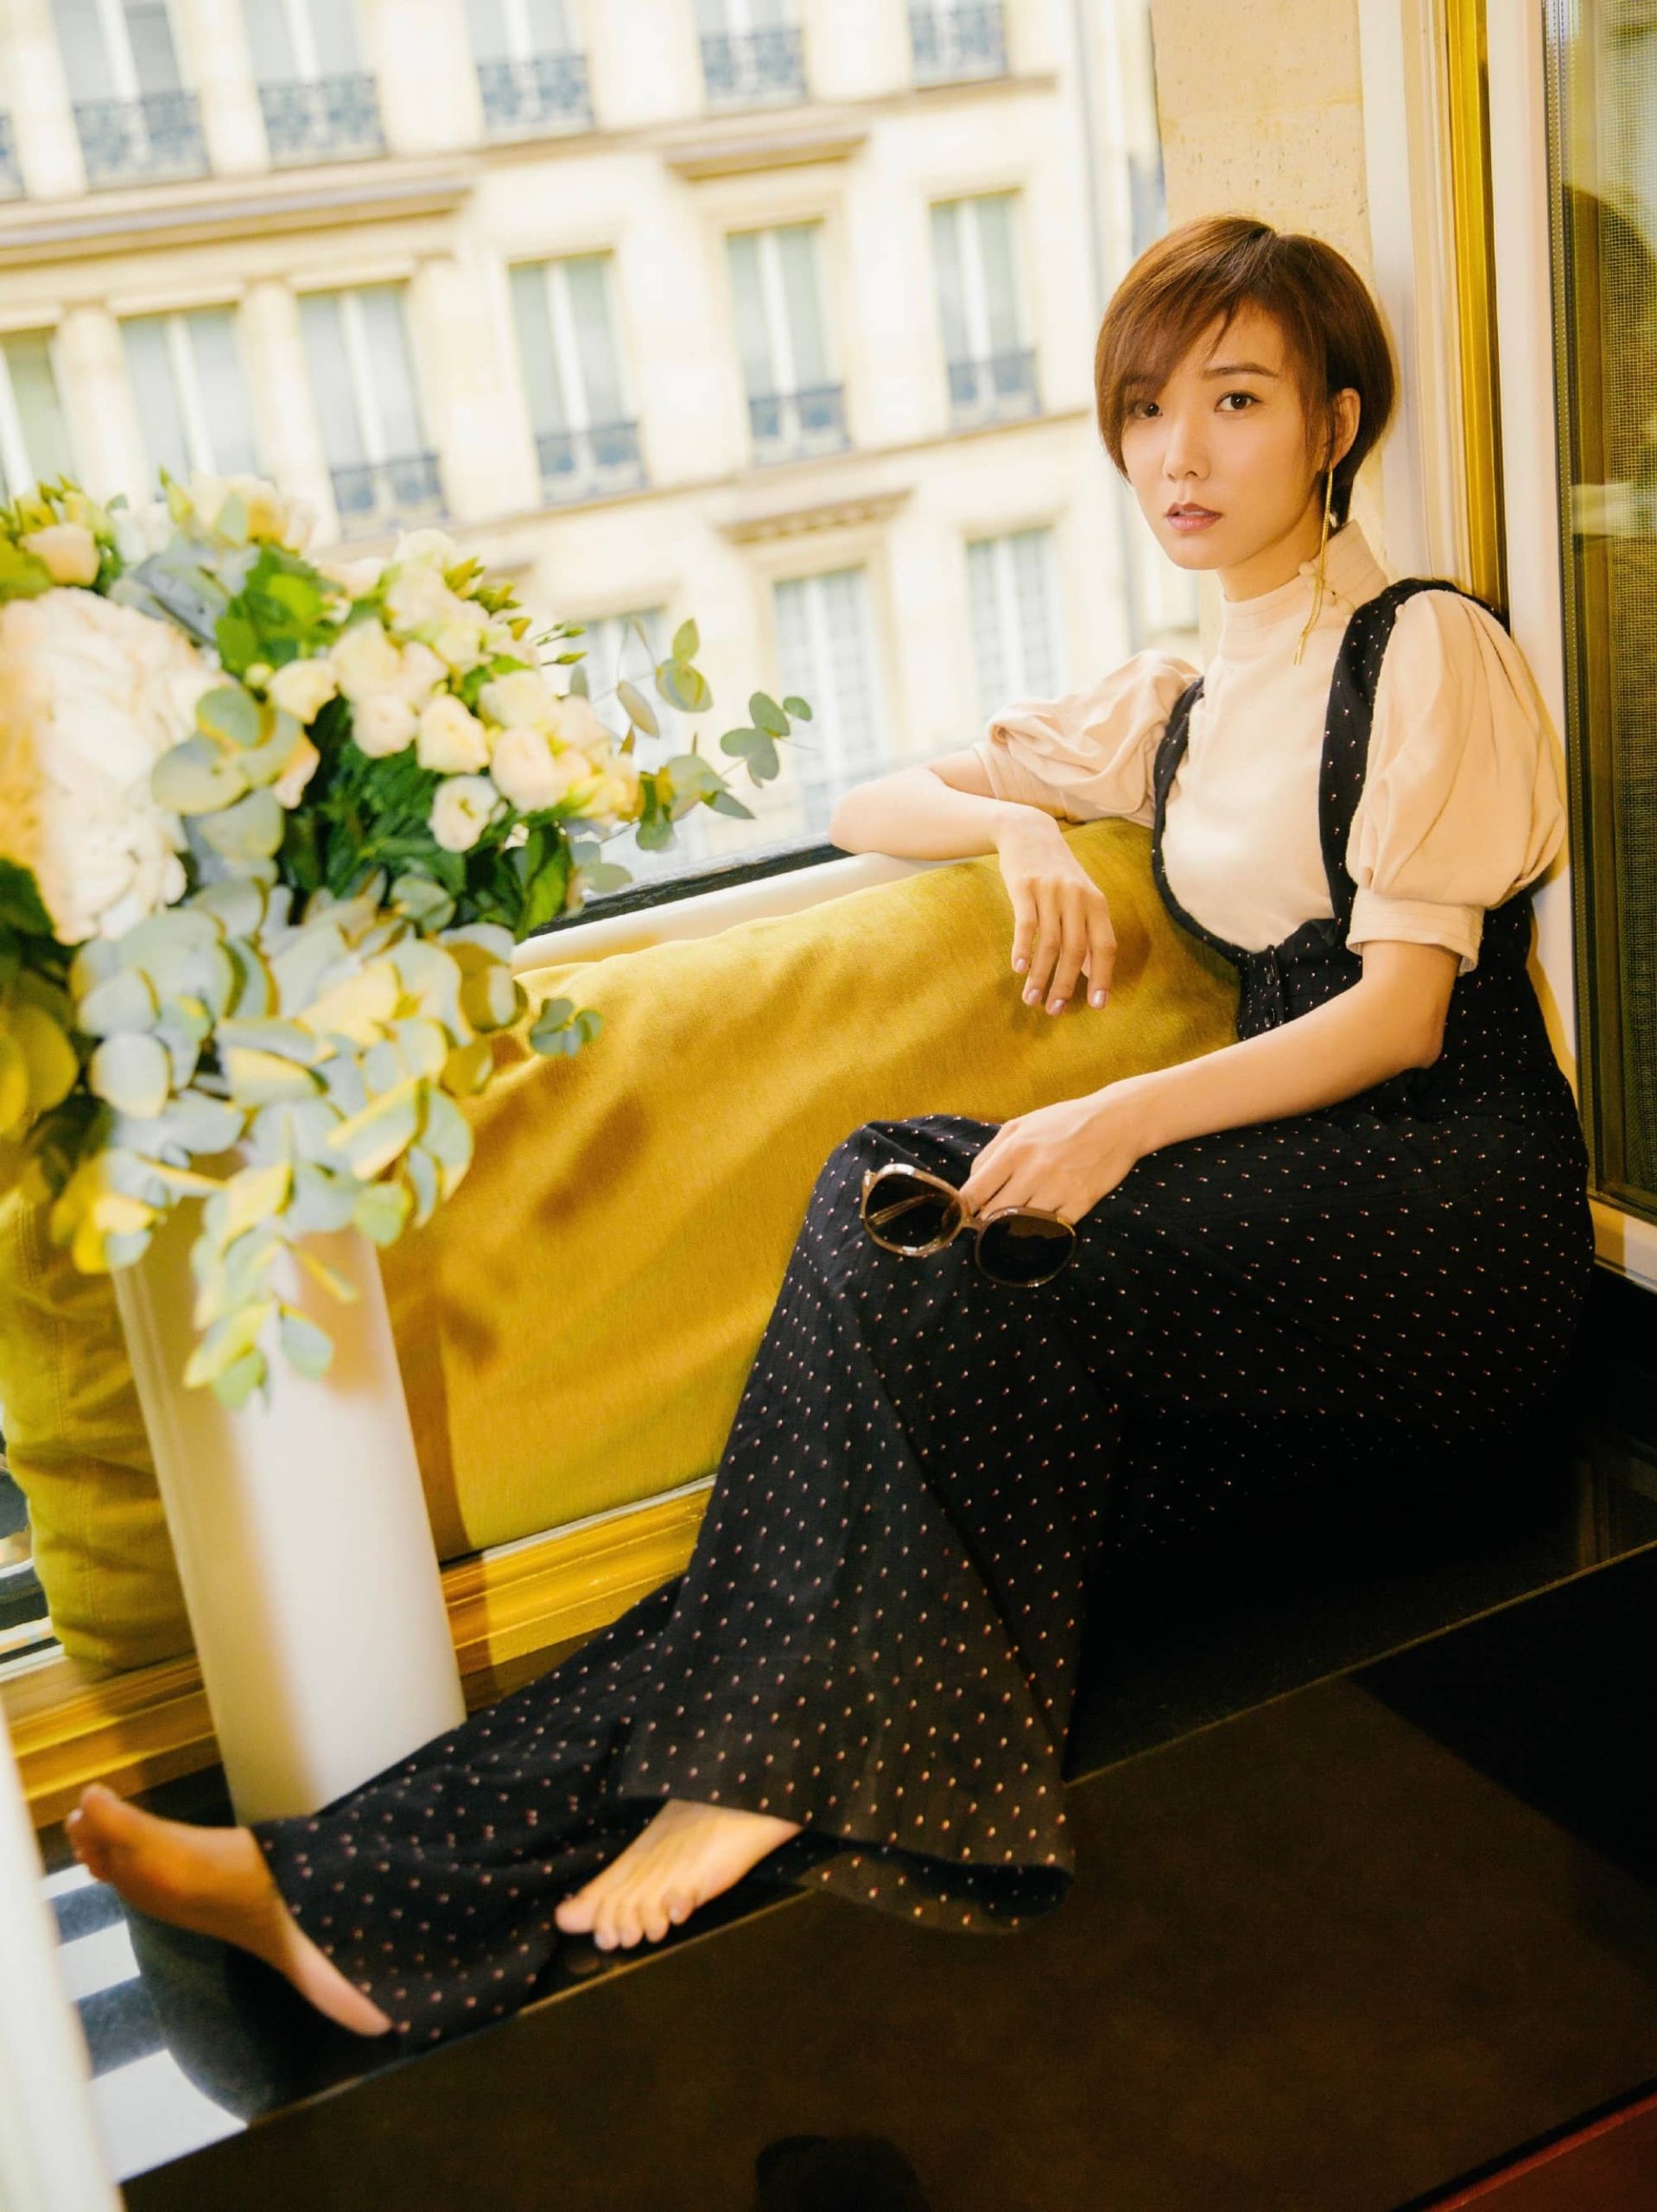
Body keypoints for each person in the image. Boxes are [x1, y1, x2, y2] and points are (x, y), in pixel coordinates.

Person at [67, 213, 1595, 2050]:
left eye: (1236, 401)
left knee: (932, 1229)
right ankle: (356, 1893)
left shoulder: (1424, 649)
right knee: (864, 1374)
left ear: (1336, 422)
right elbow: (874, 796)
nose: (1175, 454)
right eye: (1141, 408)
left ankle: (681, 1797)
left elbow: (1398, 1013)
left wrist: (1108, 1121)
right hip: (1270, 1229)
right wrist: (1017, 826)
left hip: (1444, 1211)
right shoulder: (1175, 710)